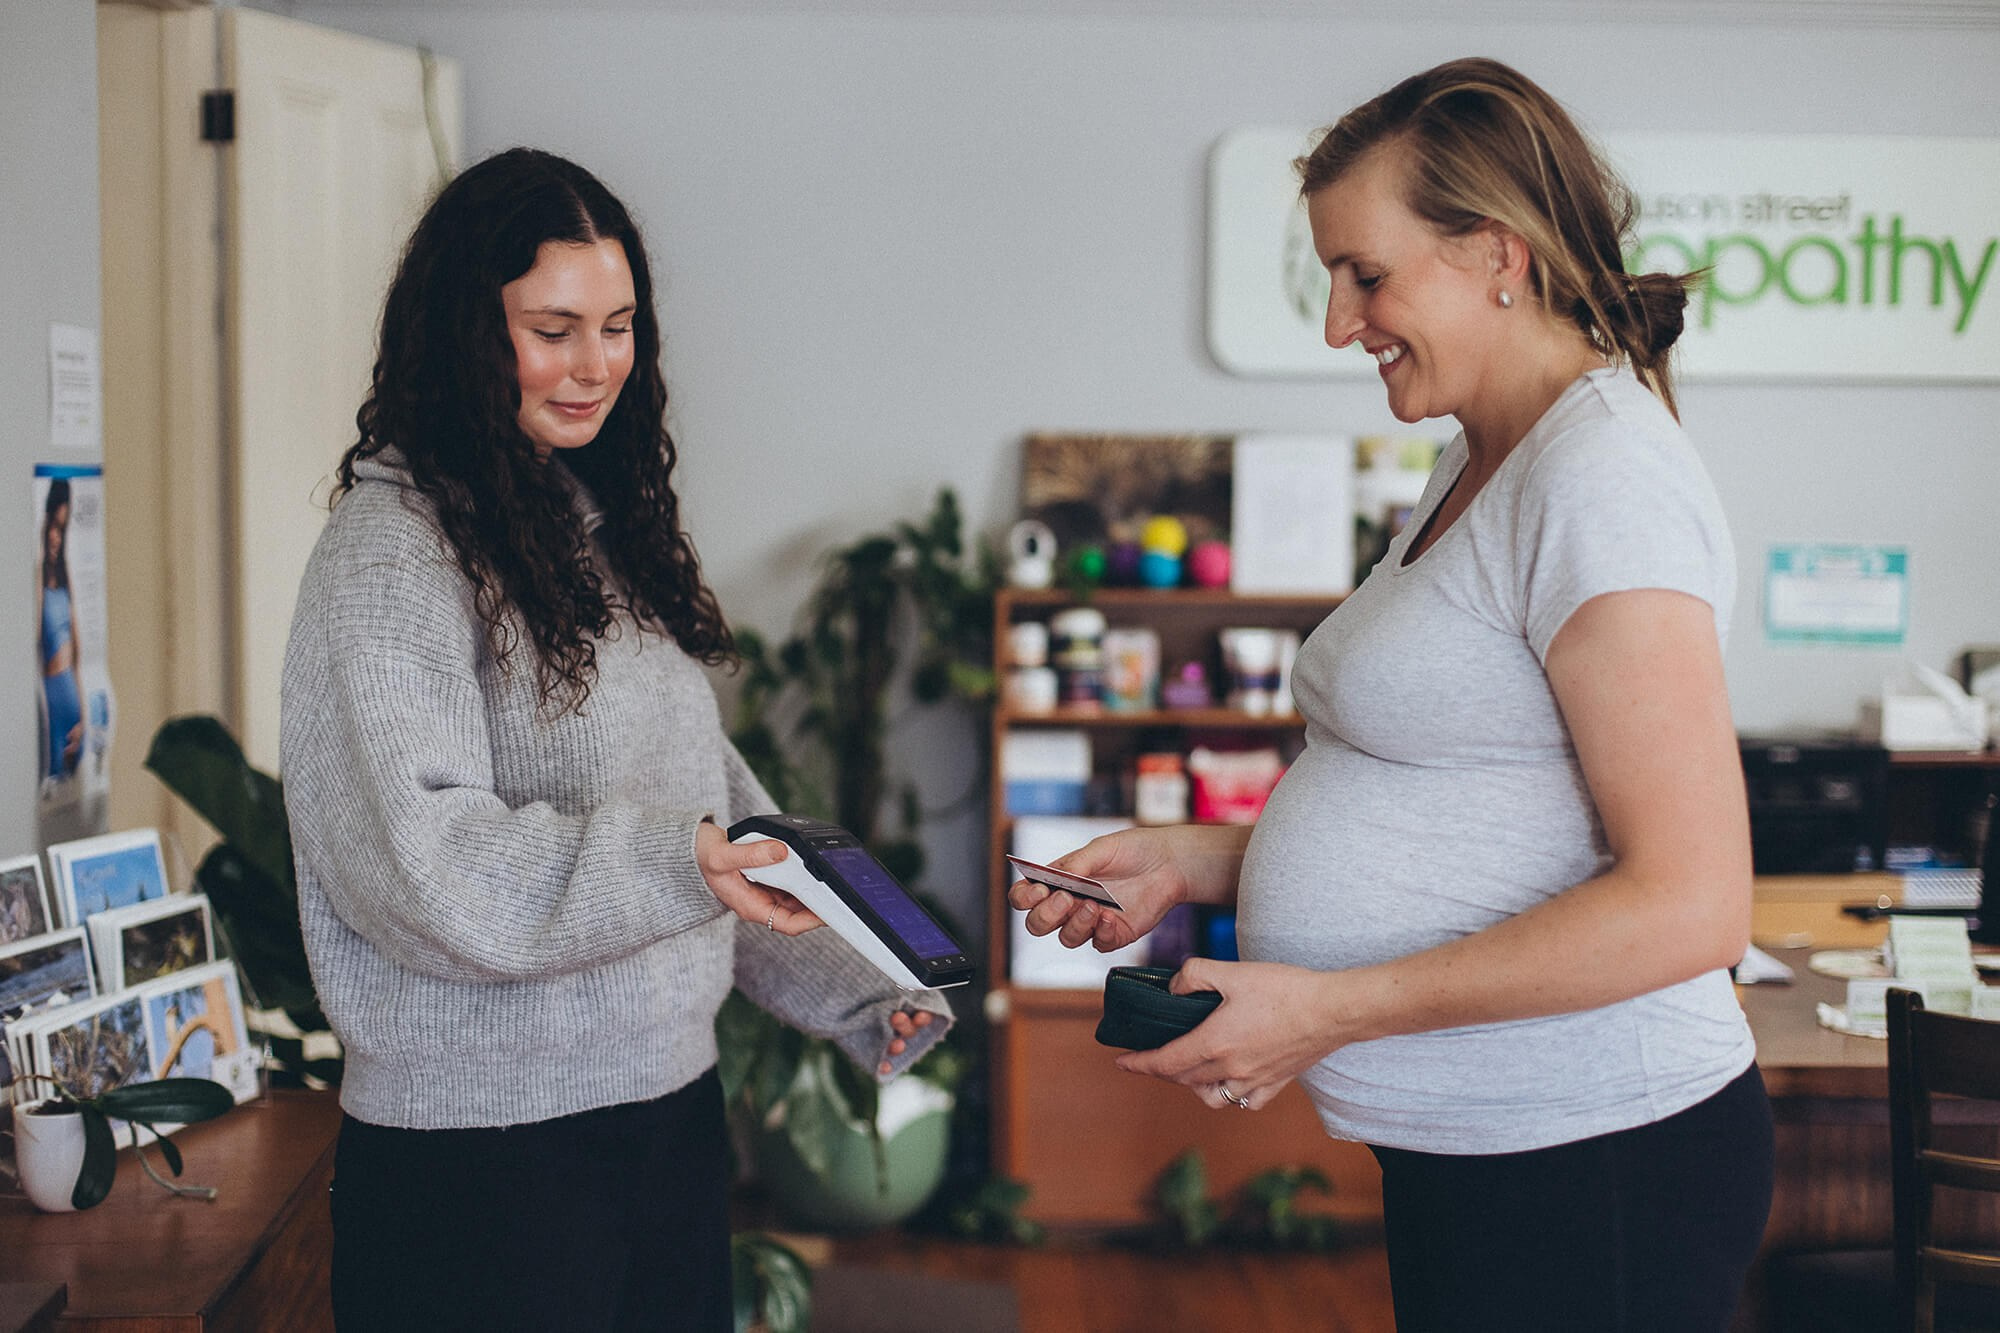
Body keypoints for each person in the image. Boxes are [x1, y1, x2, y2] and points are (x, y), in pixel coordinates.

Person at [1012, 58, 1772, 1332]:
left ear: (1497, 255)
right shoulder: (1478, 460)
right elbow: (1484, 807)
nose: (1336, 322)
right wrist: (1199, 860)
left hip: (1592, 1158)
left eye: (1363, 274)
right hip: (1490, 1154)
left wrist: (1323, 1010)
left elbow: (1688, 905)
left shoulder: (1601, 477)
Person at [280, 148, 950, 1333]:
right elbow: (418, 866)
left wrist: (856, 986)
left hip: (663, 1119)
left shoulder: (586, 533)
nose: (595, 365)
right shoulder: (388, 557)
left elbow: (711, 816)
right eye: (552, 330)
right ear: (464, 336)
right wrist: (672, 859)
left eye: (618, 325)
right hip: (485, 1166)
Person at [39, 479, 83, 781]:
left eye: (62, 529)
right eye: (53, 526)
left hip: (72, 703)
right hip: (49, 703)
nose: (56, 537)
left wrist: (85, 718)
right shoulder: (37, 581)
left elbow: (79, 656)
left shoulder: (66, 579)